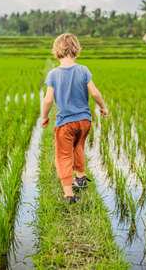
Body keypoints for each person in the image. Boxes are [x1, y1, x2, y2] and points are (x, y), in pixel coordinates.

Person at [41, 33, 108, 204]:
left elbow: (48, 99)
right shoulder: (83, 70)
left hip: (65, 123)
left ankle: (69, 193)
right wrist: (102, 107)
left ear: (56, 51)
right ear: (77, 49)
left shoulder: (54, 74)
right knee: (78, 146)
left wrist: (44, 117)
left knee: (63, 155)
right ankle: (81, 177)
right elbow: (94, 92)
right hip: (85, 121)